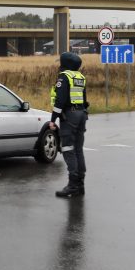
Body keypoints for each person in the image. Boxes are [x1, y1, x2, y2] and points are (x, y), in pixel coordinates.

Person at [49, 51, 89, 197]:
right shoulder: (80, 77)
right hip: (81, 114)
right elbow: (84, 100)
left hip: (70, 116)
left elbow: (60, 101)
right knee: (78, 149)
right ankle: (80, 185)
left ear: (64, 64)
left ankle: (72, 186)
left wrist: (53, 120)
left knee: (67, 149)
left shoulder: (64, 77)